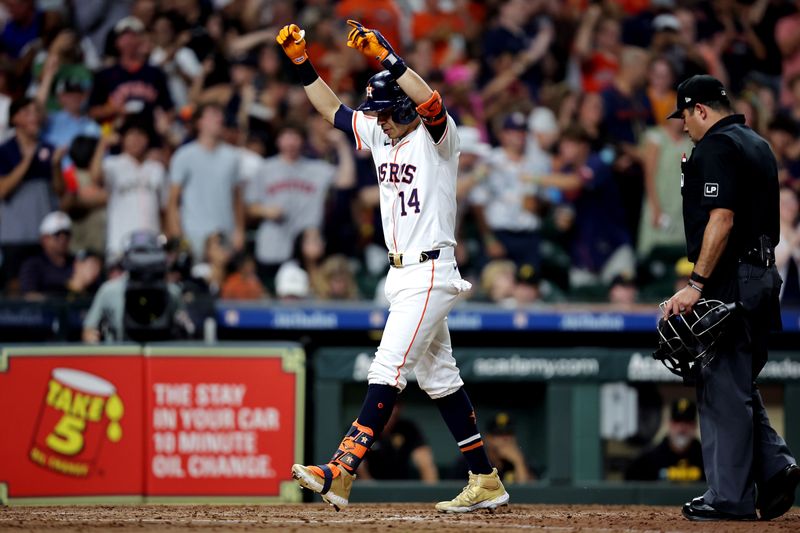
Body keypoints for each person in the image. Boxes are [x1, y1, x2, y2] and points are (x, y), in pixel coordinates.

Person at [277, 20, 508, 513]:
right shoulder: (382, 135)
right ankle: (485, 479)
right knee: (440, 378)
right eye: (376, 113)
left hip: (430, 270)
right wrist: (301, 63)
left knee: (387, 369)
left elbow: (430, 101)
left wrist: (389, 58)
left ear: (403, 108)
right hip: (400, 273)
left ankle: (341, 470)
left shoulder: (438, 140)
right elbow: (332, 111)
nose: (377, 120)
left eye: (384, 112)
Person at [663, 74, 799, 521]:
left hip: (731, 278)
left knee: (721, 385)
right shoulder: (757, 142)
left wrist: (696, 284)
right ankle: (776, 465)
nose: (683, 124)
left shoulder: (717, 146)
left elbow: (721, 219)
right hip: (762, 275)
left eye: (684, 114)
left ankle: (729, 498)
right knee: (736, 382)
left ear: (700, 108)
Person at [166, 103, 245, 261]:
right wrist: (178, 237)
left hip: (225, 234)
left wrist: (239, 231)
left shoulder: (232, 157)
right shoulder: (184, 156)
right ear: (199, 122)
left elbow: (236, 198)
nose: (219, 118)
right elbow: (173, 202)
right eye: (213, 114)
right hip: (193, 234)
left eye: (220, 115)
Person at [18, 211, 101, 299]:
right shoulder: (33, 266)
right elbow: (30, 297)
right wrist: (73, 287)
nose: (63, 238)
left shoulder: (77, 263)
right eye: (57, 234)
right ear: (44, 239)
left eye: (66, 233)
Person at [625, 398, 704, 482]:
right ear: (668, 424)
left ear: (695, 426)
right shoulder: (647, 460)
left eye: (687, 423)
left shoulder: (707, 459)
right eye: (677, 422)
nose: (682, 428)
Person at [357, 403, 439, 483]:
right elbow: (359, 465)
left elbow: (424, 459)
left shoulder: (407, 428)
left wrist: (431, 492)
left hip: (402, 488)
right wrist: (373, 489)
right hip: (370, 489)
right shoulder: (360, 428)